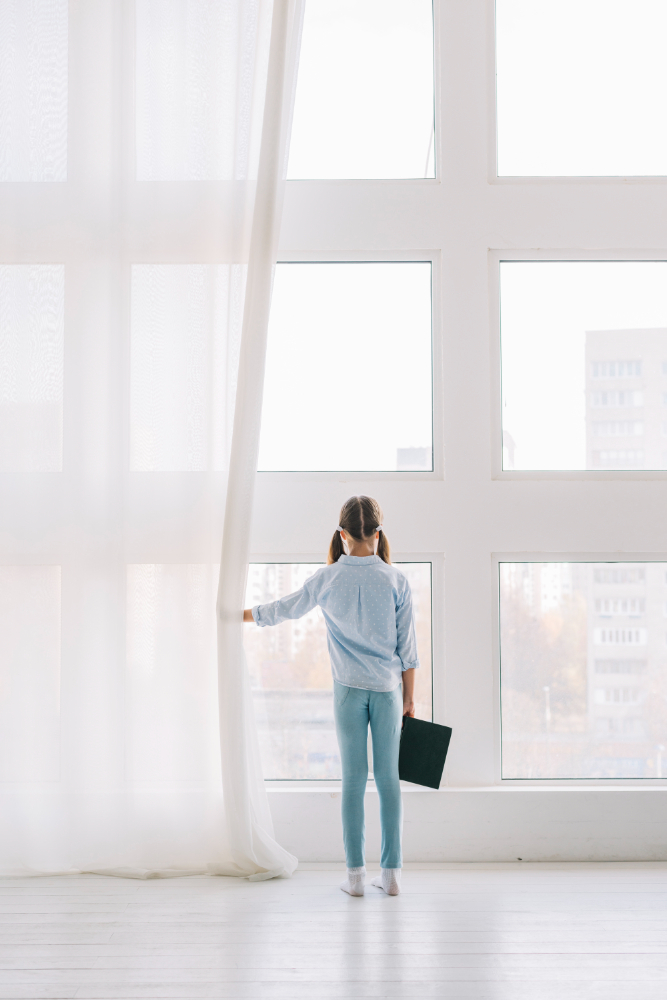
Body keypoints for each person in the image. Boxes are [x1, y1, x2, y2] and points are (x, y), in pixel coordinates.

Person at [243, 495, 419, 897]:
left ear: (342, 534)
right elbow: (408, 651)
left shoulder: (327, 579)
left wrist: (239, 615)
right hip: (390, 691)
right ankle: (391, 876)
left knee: (353, 782)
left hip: (348, 692)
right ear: (378, 533)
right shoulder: (396, 580)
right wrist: (410, 699)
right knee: (389, 781)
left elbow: (282, 609)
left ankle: (355, 878)